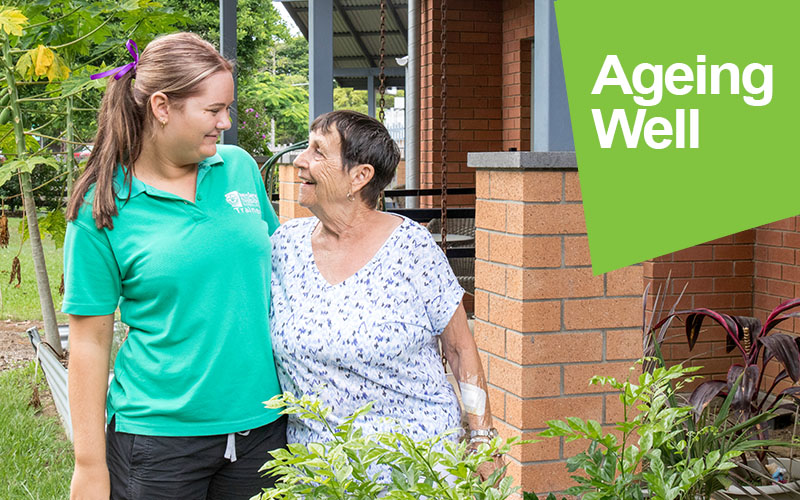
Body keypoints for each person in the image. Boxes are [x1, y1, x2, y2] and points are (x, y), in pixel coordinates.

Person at [63, 33, 285, 500]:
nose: (225, 122)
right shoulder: (101, 206)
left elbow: (283, 272)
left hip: (263, 428)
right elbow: (89, 339)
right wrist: (89, 465)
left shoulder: (240, 168)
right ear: (162, 106)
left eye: (228, 109)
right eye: (213, 110)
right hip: (157, 440)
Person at [270, 110, 504, 482]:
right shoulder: (284, 247)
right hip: (320, 475)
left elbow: (460, 349)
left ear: (359, 176)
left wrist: (482, 438)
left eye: (317, 151)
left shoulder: (412, 247)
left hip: (417, 468)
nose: (300, 161)